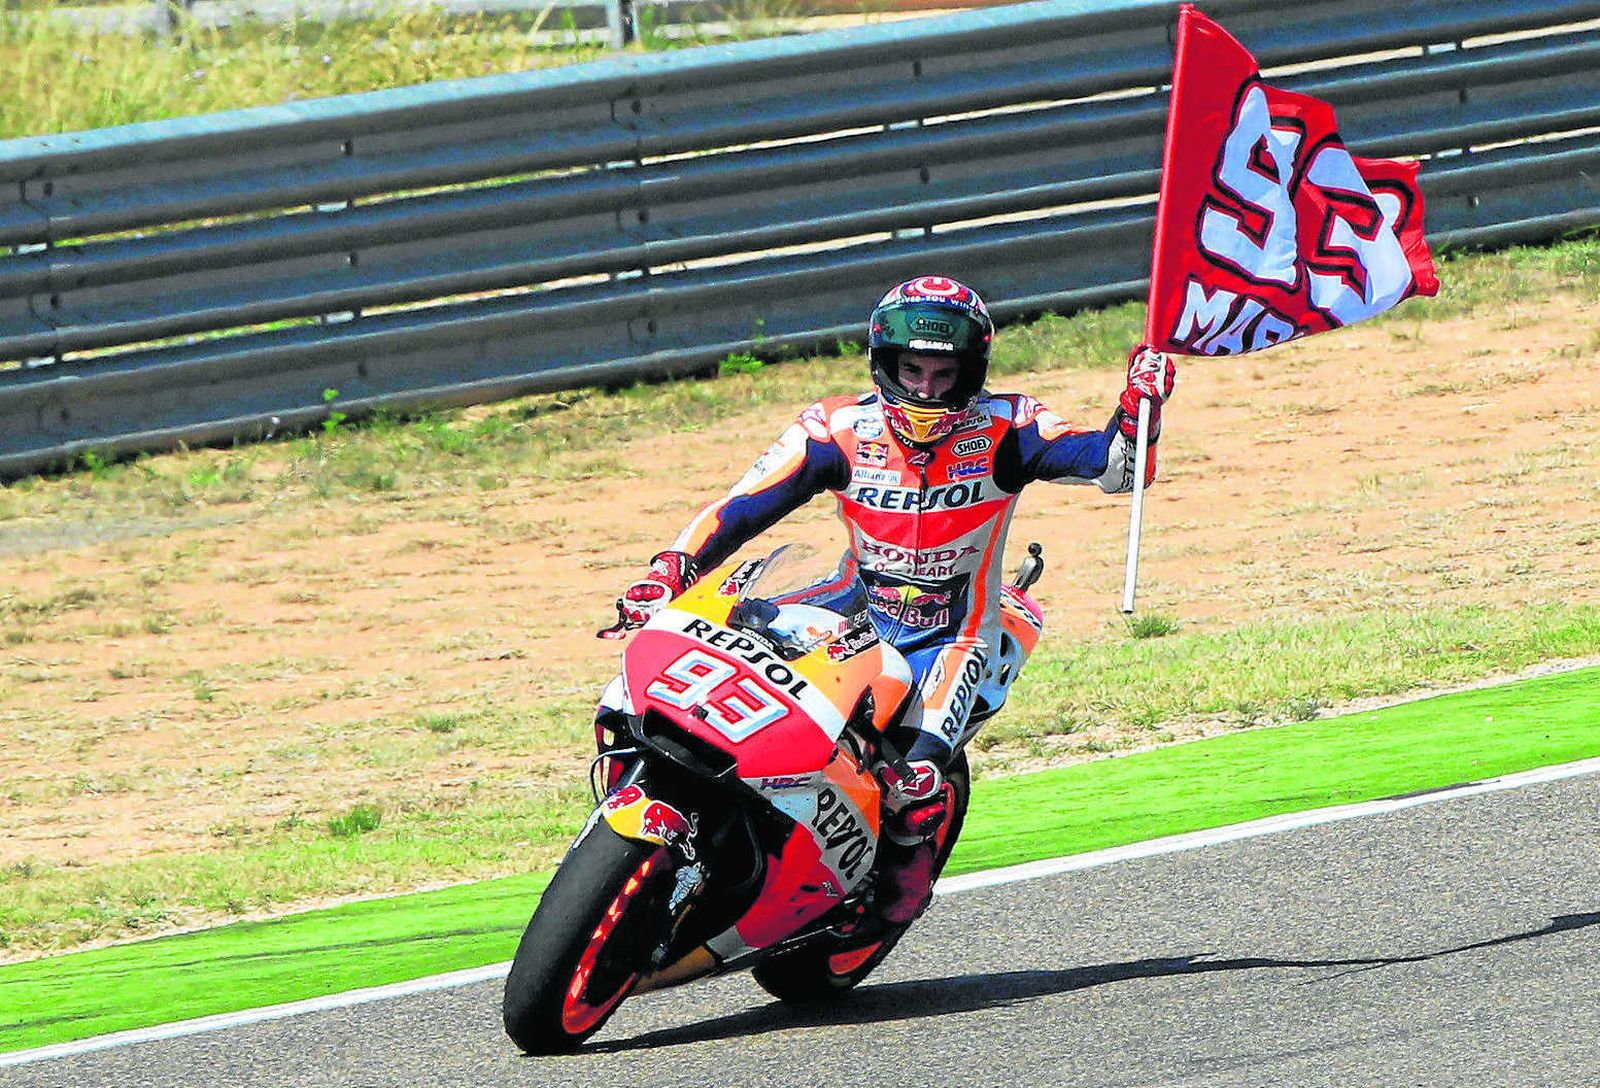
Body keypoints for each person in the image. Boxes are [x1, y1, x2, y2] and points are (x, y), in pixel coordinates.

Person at [606, 274, 1175, 924]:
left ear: (973, 371)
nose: (927, 390)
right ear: (884, 364)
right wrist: (672, 568)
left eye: (944, 373)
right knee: (708, 657)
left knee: (917, 787)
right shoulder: (836, 429)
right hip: (849, 607)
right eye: (913, 370)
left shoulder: (1010, 427)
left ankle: (895, 893)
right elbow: (742, 506)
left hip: (955, 640)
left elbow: (1117, 469)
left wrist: (1137, 411)